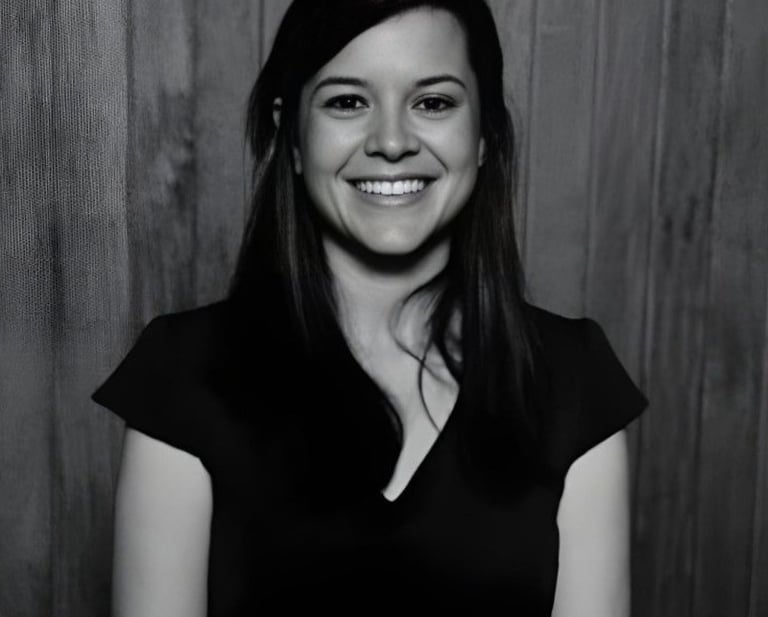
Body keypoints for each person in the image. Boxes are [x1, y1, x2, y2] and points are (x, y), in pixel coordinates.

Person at [92, 1, 648, 615]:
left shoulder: (573, 382)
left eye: (433, 102)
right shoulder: (182, 377)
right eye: (347, 102)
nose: (390, 142)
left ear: (485, 134)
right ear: (293, 136)